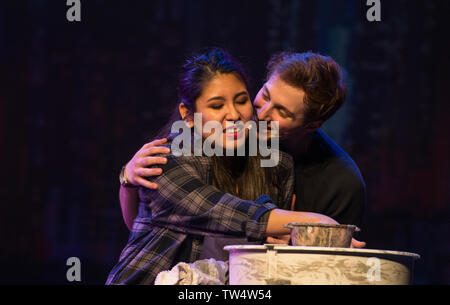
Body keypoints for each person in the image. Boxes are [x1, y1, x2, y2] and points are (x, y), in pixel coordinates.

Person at [107, 48, 342, 285]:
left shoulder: (278, 165)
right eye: (217, 106)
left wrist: (285, 244)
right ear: (188, 115)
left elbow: (267, 252)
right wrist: (314, 224)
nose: (233, 115)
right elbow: (221, 212)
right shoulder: (167, 159)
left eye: (241, 101)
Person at [120, 51, 367, 231]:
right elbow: (146, 227)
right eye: (264, 95)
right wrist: (127, 180)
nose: (262, 112)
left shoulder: (338, 183)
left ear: (312, 125)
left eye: (282, 112)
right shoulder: (188, 149)